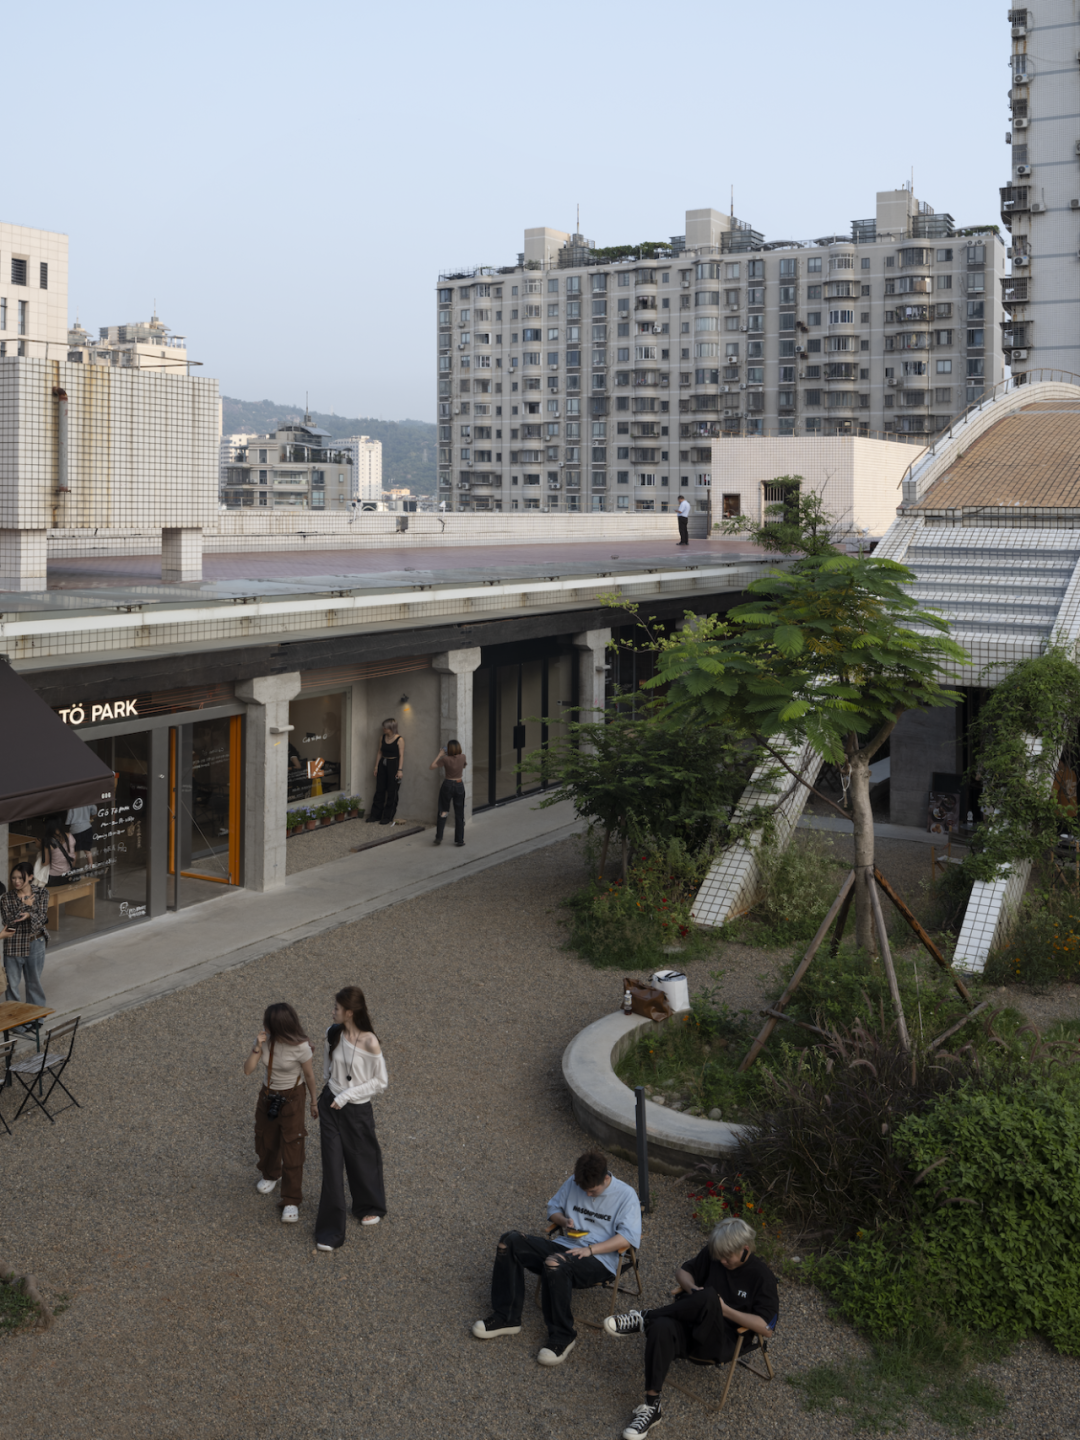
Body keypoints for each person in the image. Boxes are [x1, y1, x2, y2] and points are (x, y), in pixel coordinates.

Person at [604, 1216, 779, 1438]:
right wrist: (694, 1291)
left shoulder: (762, 1277)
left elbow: (766, 1328)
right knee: (662, 1326)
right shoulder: (715, 1254)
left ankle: (645, 1317)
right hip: (690, 1327)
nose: (722, 1260)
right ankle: (652, 1407)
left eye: (727, 1257)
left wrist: (724, 1309)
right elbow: (682, 1273)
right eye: (719, 1256)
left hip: (721, 1342)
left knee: (710, 1297)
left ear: (745, 1249)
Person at [472, 1151, 641, 1368]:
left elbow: (627, 1237)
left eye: (593, 1191)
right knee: (509, 1241)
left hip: (599, 1259)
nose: (587, 1194)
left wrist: (590, 1250)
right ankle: (507, 1317)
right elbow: (553, 1209)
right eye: (584, 1190)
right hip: (565, 1246)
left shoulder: (626, 1195)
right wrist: (564, 1221)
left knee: (554, 1263)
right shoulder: (574, 1181)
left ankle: (563, 1335)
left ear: (606, 1178)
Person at [314, 985, 388, 1251]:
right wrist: (328, 1088)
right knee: (332, 1166)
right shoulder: (333, 1032)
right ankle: (330, 1231)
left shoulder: (370, 1041)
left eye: (336, 1008)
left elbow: (380, 1081)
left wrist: (346, 1095)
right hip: (330, 1106)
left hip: (356, 1110)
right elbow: (327, 1062)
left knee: (361, 1158)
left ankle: (369, 1206)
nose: (332, 1011)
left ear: (349, 1012)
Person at [243, 1003, 318, 1224]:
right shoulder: (265, 1040)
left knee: (292, 1146)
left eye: (267, 1023)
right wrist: (256, 1046)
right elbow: (248, 1070)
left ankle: (291, 1199)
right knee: (265, 1138)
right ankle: (271, 1174)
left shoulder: (301, 1047)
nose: (264, 1026)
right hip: (268, 1094)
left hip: (293, 1097)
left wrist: (314, 1101)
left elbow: (309, 1076)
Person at [1, 860, 51, 1008]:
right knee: (12, 984)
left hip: (35, 941)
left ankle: (37, 1017)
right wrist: (25, 906)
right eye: (13, 878)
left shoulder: (42, 893)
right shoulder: (6, 897)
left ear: (30, 877)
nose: (16, 881)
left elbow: (42, 918)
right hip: (13, 943)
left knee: (34, 982)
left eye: (20, 878)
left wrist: (29, 915)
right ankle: (15, 1017)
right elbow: (8, 921)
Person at [367, 718, 404, 826]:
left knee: (392, 791)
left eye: (386, 727)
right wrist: (376, 767)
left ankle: (388, 816)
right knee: (380, 789)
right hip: (382, 763)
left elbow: (401, 755)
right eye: (383, 727)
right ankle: (375, 815)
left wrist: (400, 770)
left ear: (392, 728)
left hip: (393, 764)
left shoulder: (399, 739)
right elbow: (379, 752)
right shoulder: (382, 737)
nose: (383, 729)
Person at [430, 740, 467, 847]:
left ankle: (439, 837)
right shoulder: (463, 757)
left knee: (444, 810)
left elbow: (432, 766)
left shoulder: (445, 759)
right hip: (459, 784)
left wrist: (439, 755)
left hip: (447, 785)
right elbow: (464, 766)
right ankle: (460, 840)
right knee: (459, 813)